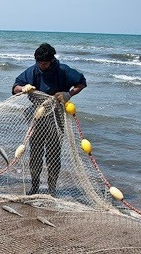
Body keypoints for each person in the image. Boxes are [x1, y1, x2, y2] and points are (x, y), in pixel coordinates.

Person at [12, 43, 87, 196]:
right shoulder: (33, 70)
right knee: (35, 153)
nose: (41, 66)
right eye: (39, 63)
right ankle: (34, 187)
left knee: (53, 153)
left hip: (56, 115)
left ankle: (52, 189)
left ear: (52, 60)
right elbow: (15, 88)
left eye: (44, 63)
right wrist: (23, 88)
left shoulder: (63, 70)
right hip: (37, 116)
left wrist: (68, 94)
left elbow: (82, 83)